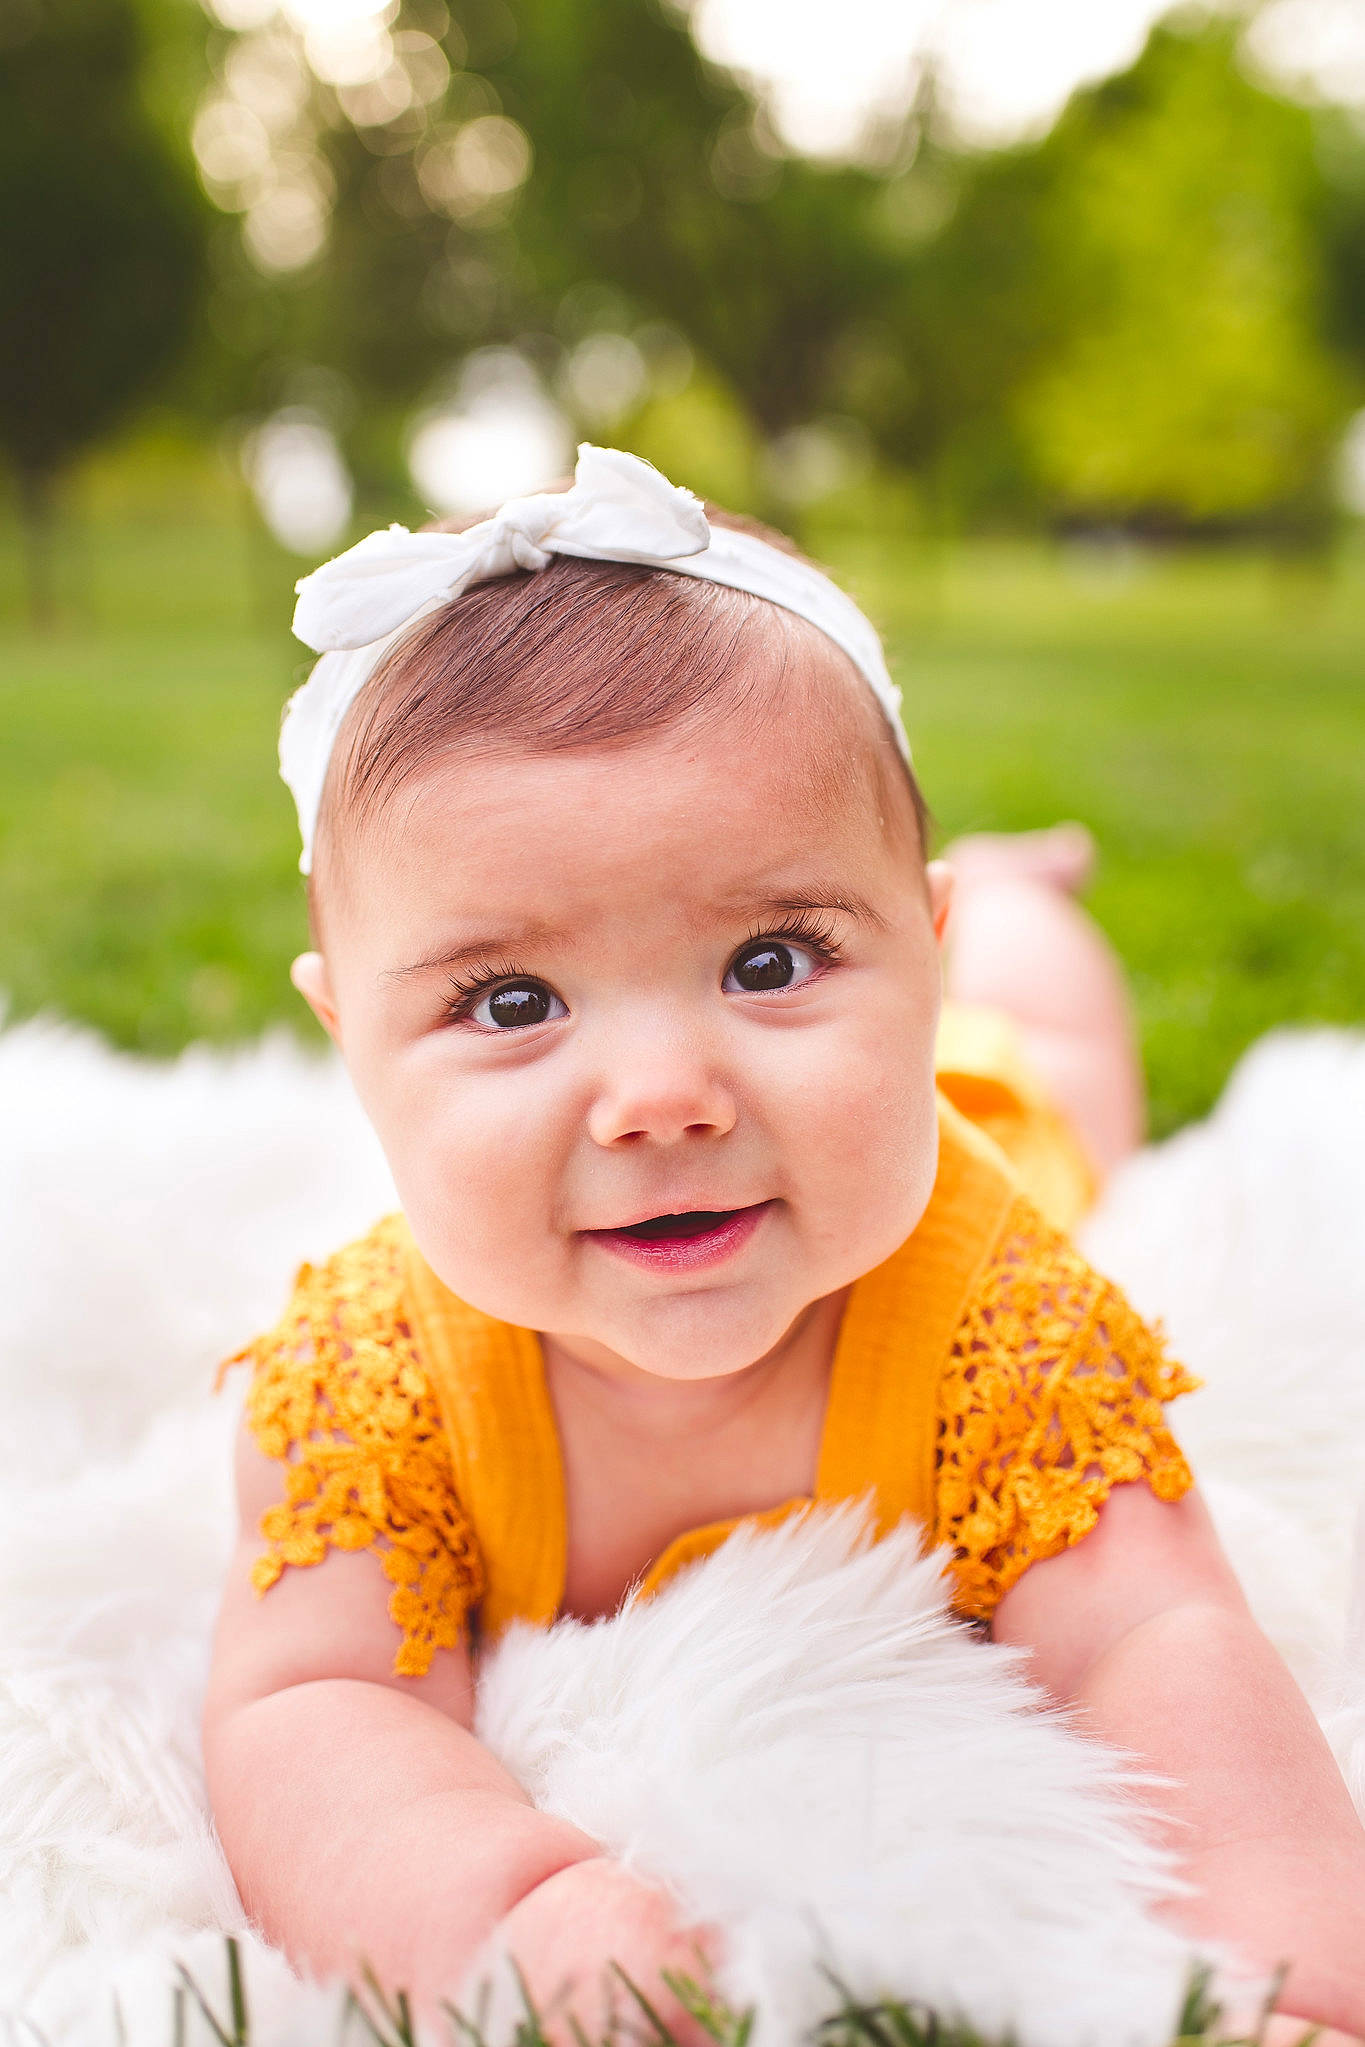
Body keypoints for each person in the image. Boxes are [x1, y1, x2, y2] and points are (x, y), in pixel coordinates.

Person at [203, 447, 1365, 2045]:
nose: (661, 1100)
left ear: (912, 959)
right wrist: (505, 1910)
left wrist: (1290, 1978)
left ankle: (1015, 918)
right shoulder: (366, 1382)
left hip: (989, 1101)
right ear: (349, 1041)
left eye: (769, 958)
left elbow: (1155, 1633)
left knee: (1072, 1089)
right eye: (512, 1002)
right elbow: (308, 1703)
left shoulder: (1001, 1312)